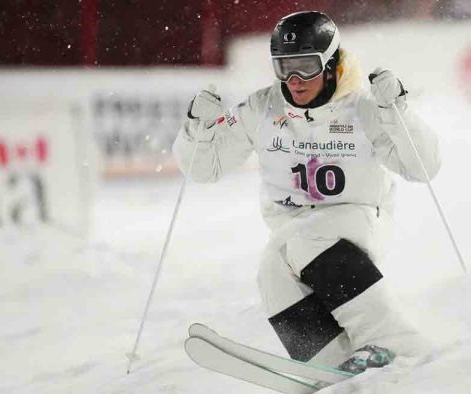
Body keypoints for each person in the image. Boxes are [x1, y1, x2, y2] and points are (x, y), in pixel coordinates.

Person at [172, 11, 441, 374]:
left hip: (358, 217)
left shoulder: (362, 108)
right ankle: (329, 364)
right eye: (283, 67)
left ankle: (399, 344)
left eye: (305, 67)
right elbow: (202, 168)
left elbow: (423, 166)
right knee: (271, 271)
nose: (294, 80)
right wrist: (196, 128)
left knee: (307, 237)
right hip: (294, 230)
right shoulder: (262, 108)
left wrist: (398, 112)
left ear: (330, 65)